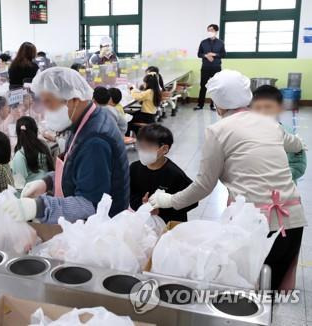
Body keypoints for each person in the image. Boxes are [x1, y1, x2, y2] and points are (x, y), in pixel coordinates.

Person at [149, 70, 306, 290]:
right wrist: (299, 144)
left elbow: (204, 186)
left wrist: (169, 200)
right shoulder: (270, 124)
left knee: (247, 290)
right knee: (272, 291)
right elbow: (294, 143)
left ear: (219, 104)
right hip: (292, 218)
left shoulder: (218, 131)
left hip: (254, 225)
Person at [2, 67, 130, 223]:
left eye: (49, 102)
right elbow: (78, 170)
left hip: (102, 226)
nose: (46, 110)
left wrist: (40, 206)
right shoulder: (85, 119)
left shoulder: (94, 141)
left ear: (74, 99)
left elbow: (90, 204)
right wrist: (47, 182)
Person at [130, 124, 197, 222]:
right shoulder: (134, 168)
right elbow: (131, 194)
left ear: (164, 149)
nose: (142, 150)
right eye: (140, 146)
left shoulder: (175, 174)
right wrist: (142, 205)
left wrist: (162, 210)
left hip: (170, 224)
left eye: (149, 146)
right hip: (146, 220)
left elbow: (192, 201)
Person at [251, 85, 307, 184]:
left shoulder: (289, 134)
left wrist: (279, 176)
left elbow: (298, 165)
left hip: (284, 191)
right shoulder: (246, 133)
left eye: (268, 107)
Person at [12, 116, 55, 184]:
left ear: (17, 133)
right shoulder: (44, 145)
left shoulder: (19, 156)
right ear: (36, 130)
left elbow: (19, 185)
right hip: (49, 187)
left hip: (32, 192)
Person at [194, 24, 226, 111]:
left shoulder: (221, 43)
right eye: (208, 30)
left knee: (215, 87)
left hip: (216, 68)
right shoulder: (203, 42)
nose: (209, 32)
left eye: (211, 30)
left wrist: (214, 54)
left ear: (216, 31)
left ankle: (213, 105)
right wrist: (206, 55)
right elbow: (199, 54)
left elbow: (223, 54)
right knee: (203, 86)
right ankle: (200, 105)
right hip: (205, 67)